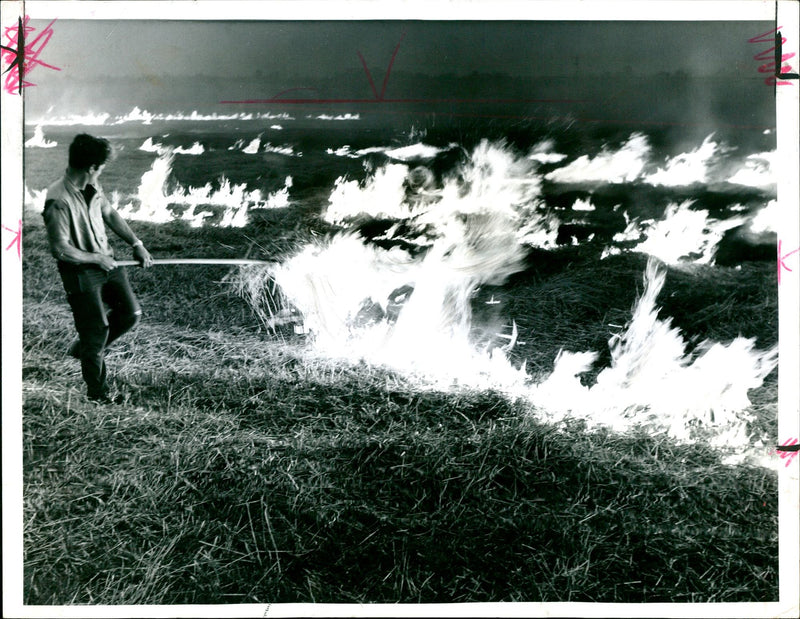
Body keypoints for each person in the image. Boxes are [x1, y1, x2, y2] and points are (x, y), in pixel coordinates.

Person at [43, 133, 154, 403]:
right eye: (101, 167)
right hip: (80, 272)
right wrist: (95, 259)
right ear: (91, 167)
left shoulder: (92, 185)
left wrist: (136, 243)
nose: (102, 171)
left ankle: (85, 349)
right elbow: (60, 249)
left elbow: (109, 213)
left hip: (107, 262)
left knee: (130, 314)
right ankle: (98, 394)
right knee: (96, 330)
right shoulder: (58, 199)